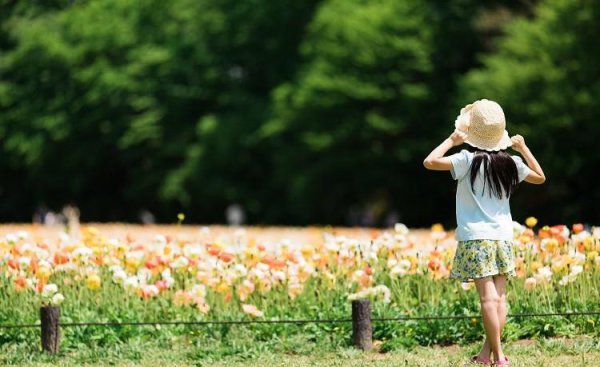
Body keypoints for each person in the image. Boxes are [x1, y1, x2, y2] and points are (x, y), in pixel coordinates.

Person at [423, 99, 545, 366]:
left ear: (472, 133)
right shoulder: (510, 163)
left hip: (476, 237)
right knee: (499, 299)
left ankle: (498, 357)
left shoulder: (466, 160)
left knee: (488, 299)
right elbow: (540, 176)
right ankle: (485, 354)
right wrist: (523, 148)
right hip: (502, 236)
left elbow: (430, 161)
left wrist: (451, 140)